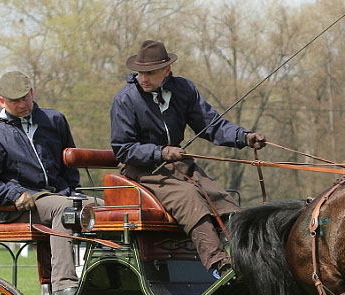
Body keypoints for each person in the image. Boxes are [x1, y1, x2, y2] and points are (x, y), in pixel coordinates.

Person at [110, 39, 266, 277]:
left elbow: (211, 126)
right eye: (140, 73)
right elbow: (123, 149)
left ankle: (252, 259)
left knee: (221, 199)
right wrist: (160, 152)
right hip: (141, 169)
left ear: (166, 71)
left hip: (179, 165)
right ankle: (219, 265)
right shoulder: (126, 99)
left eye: (150, 73)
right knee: (189, 198)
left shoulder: (184, 90)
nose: (144, 78)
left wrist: (243, 137)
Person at [0, 71, 84, 295]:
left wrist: (73, 191)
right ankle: (63, 284)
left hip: (59, 197)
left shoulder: (54, 121)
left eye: (25, 98)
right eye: (15, 101)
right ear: (1, 101)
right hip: (20, 207)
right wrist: (14, 195)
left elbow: (69, 168)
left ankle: (106, 278)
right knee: (64, 209)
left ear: (32, 93)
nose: (23, 105)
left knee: (103, 206)